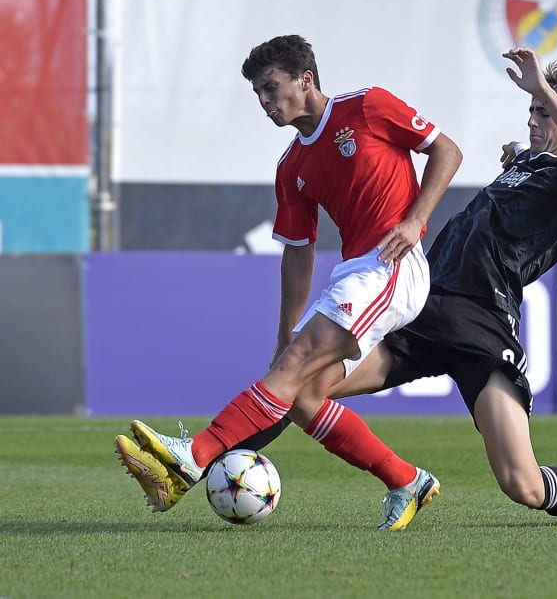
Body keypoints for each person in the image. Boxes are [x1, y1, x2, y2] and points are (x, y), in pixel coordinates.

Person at [163, 47, 557, 525]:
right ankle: (393, 479)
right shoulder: (523, 162)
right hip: (423, 309)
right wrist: (518, 150)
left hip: (482, 324)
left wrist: (543, 89)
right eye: (533, 111)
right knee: (299, 387)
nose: (532, 119)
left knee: (522, 484)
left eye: (543, 113)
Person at [115, 34, 463, 530]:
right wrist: (285, 332)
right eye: (257, 93)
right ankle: (406, 480)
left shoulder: (367, 107)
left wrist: (416, 220)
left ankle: (191, 457)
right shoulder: (291, 166)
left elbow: (446, 151)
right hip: (356, 272)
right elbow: (297, 254)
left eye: (270, 87)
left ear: (306, 79)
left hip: (392, 265)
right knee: (301, 395)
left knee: (295, 369)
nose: (264, 101)